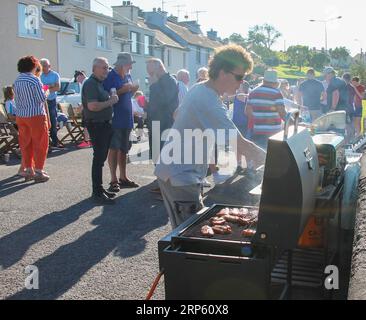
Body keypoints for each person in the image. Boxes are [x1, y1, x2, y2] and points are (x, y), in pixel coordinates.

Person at [154, 44, 266, 228]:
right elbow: (239, 143)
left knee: (187, 229)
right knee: (189, 235)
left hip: (176, 170)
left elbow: (176, 113)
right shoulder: (208, 100)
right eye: (239, 77)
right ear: (223, 72)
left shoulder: (200, 89)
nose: (241, 83)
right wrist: (273, 161)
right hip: (180, 174)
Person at [82, 57, 119, 205]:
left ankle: (99, 189)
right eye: (104, 67)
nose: (107, 70)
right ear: (94, 68)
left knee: (100, 159)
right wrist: (111, 101)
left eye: (108, 67)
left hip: (103, 124)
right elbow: (93, 106)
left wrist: (110, 99)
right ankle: (97, 192)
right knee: (98, 160)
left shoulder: (98, 83)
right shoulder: (91, 83)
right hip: (97, 125)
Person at [103, 52, 140, 193]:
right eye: (130, 64)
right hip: (115, 117)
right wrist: (122, 90)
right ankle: (113, 179)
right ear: (122, 64)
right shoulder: (111, 76)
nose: (131, 66)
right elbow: (107, 95)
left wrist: (132, 89)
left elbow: (127, 95)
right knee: (114, 148)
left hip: (126, 117)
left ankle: (123, 177)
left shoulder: (128, 75)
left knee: (124, 148)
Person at [13, 56, 50, 183]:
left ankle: (28, 169)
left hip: (21, 116)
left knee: (26, 143)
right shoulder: (34, 80)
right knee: (40, 143)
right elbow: (41, 99)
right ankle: (39, 170)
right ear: (33, 66)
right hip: (35, 115)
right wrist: (47, 92)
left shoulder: (17, 80)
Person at [246, 70, 286, 150]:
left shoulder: (253, 92)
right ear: (275, 83)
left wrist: (259, 120)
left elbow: (247, 112)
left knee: (259, 158)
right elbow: (282, 113)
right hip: (274, 133)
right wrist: (292, 122)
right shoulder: (276, 93)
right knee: (272, 158)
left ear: (263, 81)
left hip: (257, 131)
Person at [40, 58, 62, 148]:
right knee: (41, 122)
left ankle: (55, 141)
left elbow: (58, 88)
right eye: (41, 66)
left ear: (49, 66)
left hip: (51, 101)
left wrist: (46, 89)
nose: (43, 68)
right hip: (41, 102)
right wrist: (50, 86)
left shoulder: (55, 75)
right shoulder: (39, 75)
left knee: (52, 121)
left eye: (45, 66)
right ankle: (45, 142)